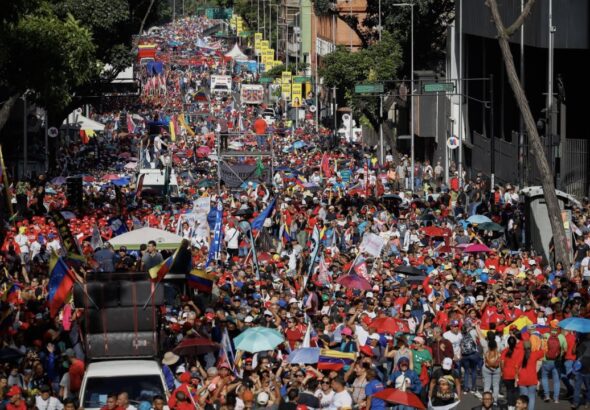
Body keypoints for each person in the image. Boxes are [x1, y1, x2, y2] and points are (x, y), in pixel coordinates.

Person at [541, 322, 566, 403]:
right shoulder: (561, 336)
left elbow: (542, 347)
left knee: (544, 378)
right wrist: (560, 354)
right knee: (556, 380)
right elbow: (565, 349)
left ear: (550, 326)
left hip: (546, 360)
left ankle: (547, 395)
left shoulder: (545, 335)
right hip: (557, 361)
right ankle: (556, 398)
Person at [516, 341, 544, 410]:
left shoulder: (520, 355)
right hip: (532, 379)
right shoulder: (534, 354)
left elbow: (516, 366)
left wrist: (516, 377)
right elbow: (543, 352)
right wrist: (541, 345)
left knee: (523, 399)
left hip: (522, 379)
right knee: (531, 398)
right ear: (531, 347)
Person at [500, 336, 521, 410]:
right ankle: (516, 404)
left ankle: (510, 405)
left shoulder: (504, 351)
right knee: (516, 390)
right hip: (516, 373)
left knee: (509, 390)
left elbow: (502, 362)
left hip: (506, 373)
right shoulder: (519, 351)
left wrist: (502, 371)